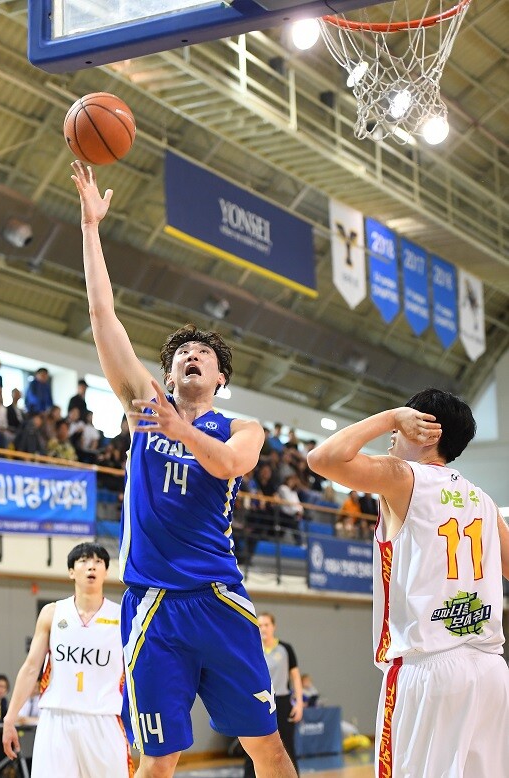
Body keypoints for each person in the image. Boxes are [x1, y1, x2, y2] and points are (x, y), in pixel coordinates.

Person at [70, 160, 296, 778]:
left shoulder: (241, 428)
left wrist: (182, 431)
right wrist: (90, 228)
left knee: (267, 747)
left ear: (219, 378)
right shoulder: (144, 405)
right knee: (159, 757)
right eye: (182, 354)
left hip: (219, 597)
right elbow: (102, 317)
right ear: (169, 373)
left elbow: (231, 465)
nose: (192, 356)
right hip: (155, 606)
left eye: (203, 354)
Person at [307, 388, 509, 777]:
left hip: (430, 669)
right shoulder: (483, 501)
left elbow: (322, 459)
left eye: (403, 423)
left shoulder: (403, 476)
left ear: (425, 430)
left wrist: (388, 415)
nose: (393, 433)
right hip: (490, 673)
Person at [2, 542, 131, 778]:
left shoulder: (122, 616)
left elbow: (138, 674)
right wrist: (10, 718)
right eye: (84, 561)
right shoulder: (52, 613)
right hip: (56, 718)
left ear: (106, 571)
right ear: (71, 571)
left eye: (98, 562)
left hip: (103, 719)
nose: (91, 566)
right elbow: (31, 668)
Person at [244, 613, 303, 778]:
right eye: (260, 625)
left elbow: (295, 677)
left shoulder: (285, 648)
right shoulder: (252, 649)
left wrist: (299, 703)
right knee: (254, 747)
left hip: (282, 702)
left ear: (273, 627)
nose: (263, 628)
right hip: (258, 703)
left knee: (286, 747)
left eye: (266, 625)